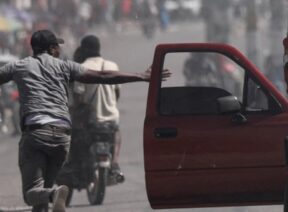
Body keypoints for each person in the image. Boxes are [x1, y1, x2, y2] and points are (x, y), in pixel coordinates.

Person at [0, 30, 165, 212]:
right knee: (42, 197)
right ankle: (52, 195)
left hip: (36, 134)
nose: (60, 50)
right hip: (62, 137)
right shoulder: (64, 66)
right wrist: (141, 76)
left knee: (31, 192)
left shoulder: (19, 66)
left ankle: (54, 194)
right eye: (58, 47)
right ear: (52, 49)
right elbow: (103, 76)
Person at [70, 35, 125, 181]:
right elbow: (117, 93)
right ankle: (114, 163)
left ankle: (78, 167)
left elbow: (78, 97)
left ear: (83, 49)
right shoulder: (112, 66)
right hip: (112, 118)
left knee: (76, 140)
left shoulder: (81, 68)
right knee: (117, 134)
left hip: (91, 119)